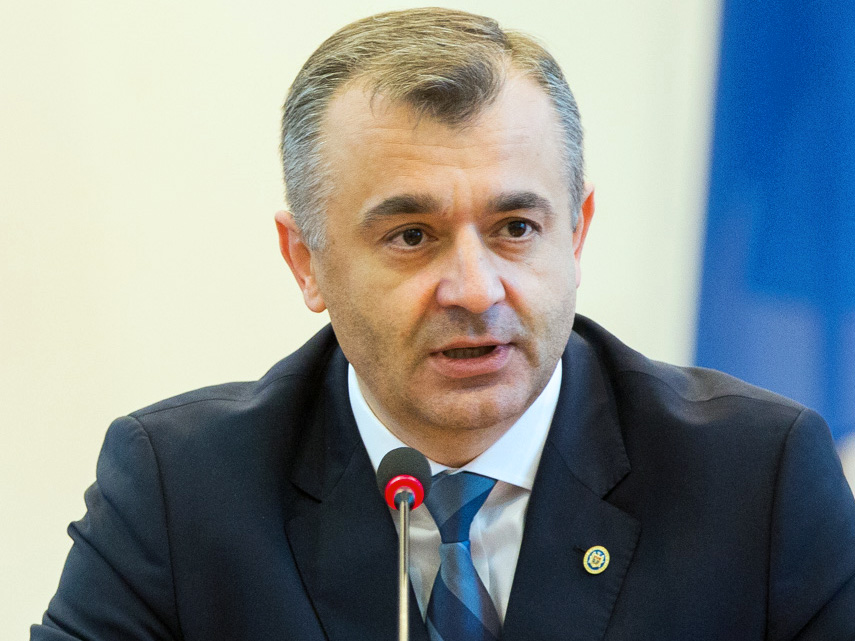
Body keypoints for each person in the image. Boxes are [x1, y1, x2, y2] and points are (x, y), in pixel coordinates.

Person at [32, 8, 855, 641]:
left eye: (515, 228)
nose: (473, 288)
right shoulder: (181, 490)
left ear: (576, 234)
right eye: (411, 236)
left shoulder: (755, 477)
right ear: (305, 260)